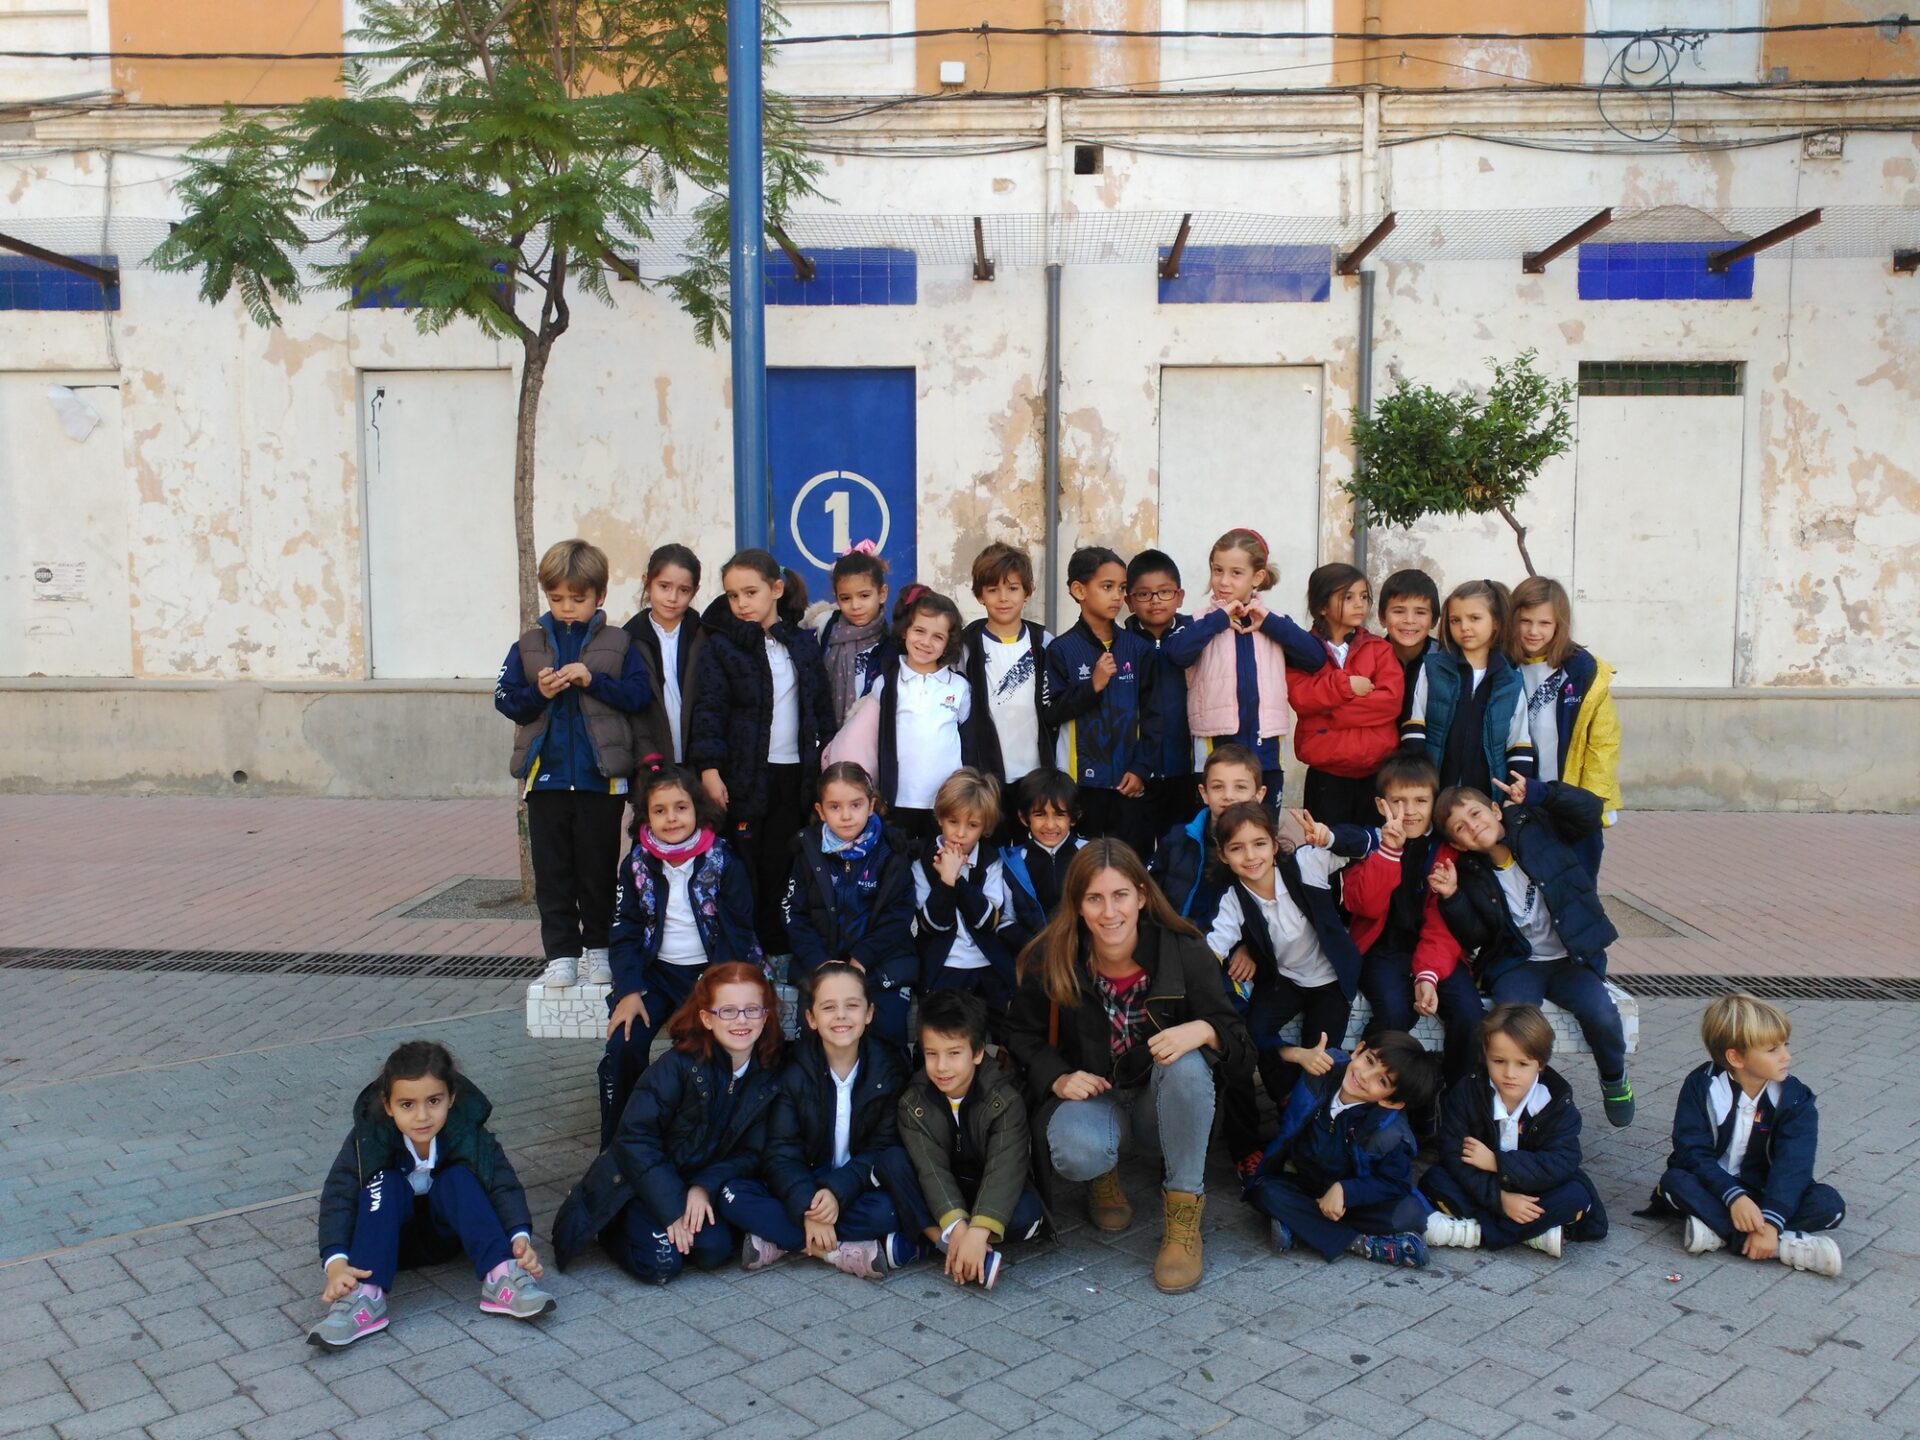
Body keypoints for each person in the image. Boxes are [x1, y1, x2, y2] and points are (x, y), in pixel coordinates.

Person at [1005, 840, 1253, 1294]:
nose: (1109, 912)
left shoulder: (1184, 949)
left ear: (1141, 895)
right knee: (1076, 1147)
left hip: (1160, 1102)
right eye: (1094, 898)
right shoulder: (1054, 955)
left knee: (1186, 1062)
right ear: (1078, 905)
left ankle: (1182, 1219)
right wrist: (1058, 1075)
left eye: (1120, 895)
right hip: (1096, 1098)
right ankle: (1103, 1175)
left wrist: (1202, 1030)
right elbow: (1019, 1034)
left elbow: (1240, 1044)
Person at [552, 964, 784, 1283]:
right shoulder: (677, 1067)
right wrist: (673, 1207)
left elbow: (752, 1152)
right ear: (706, 1018)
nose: (741, 1020)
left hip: (695, 1182)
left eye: (752, 1010)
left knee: (714, 1250)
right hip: (638, 1183)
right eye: (727, 1011)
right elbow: (634, 1139)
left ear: (766, 1015)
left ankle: (671, 1223)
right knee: (662, 1264)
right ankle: (611, 1225)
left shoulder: (766, 1077)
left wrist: (704, 1187)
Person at [310, 1041, 551, 1348]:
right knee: (384, 1181)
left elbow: (502, 1184)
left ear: (451, 1098)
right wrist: (336, 1264)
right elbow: (338, 1196)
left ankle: (502, 1276)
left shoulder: (470, 1135)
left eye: (433, 1101)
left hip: (447, 1238)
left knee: (459, 1178)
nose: (422, 1116)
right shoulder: (367, 1139)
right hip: (385, 1246)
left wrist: (519, 1238)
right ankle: (363, 1297)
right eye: (407, 1105)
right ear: (388, 1105)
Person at [1431, 774, 1635, 1127]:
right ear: (1459, 845)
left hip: (1571, 959)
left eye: (1477, 814)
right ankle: (1512, 1092)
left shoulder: (1537, 825)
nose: (1474, 827)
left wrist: (1540, 793)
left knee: (1600, 1013)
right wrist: (1452, 898)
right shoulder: (1470, 873)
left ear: (1496, 810)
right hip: (1519, 963)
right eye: (1461, 828)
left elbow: (1589, 812)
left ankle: (1614, 1077)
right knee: (1511, 1020)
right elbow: (1476, 933)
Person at [495, 539, 653, 989]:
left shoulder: (620, 643)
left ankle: (599, 949)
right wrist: (537, 693)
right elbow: (504, 698)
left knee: (598, 868)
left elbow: (639, 697)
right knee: (554, 872)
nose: (567, 608)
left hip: (600, 781)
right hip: (544, 780)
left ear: (600, 596)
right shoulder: (528, 644)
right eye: (557, 598)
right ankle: (561, 954)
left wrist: (593, 680)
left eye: (578, 599)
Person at [718, 963, 922, 1278]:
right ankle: (839, 1253)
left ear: (868, 1013)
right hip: (803, 1181)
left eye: (852, 1006)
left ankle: (780, 1239)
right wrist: (807, 1208)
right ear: (811, 1019)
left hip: (857, 1185)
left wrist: (837, 1192)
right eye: (828, 1007)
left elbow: (884, 1147)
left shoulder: (888, 1069)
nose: (841, 1015)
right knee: (732, 1194)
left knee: (891, 1210)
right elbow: (781, 1152)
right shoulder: (793, 1069)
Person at [598, 766, 761, 1149]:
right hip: (655, 975)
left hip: (712, 974)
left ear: (697, 811)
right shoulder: (637, 865)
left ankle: (695, 1139)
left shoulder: (723, 862)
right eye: (660, 810)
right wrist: (629, 990)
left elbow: (739, 931)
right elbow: (624, 931)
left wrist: (714, 983)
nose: (671, 818)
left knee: (699, 1049)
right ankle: (620, 1143)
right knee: (623, 1044)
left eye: (680, 808)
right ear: (646, 816)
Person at [1203, 802, 1365, 1176]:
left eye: (1259, 844)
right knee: (1253, 1032)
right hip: (1285, 980)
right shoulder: (1234, 899)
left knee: (1320, 1054)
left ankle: (1309, 1139)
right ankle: (1285, 1096)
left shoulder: (1306, 864)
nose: (1251, 856)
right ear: (1224, 856)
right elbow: (1213, 946)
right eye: (1237, 848)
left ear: (1275, 845)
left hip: (1331, 980)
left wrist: (1330, 836)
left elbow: (1364, 844)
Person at [689, 550, 836, 956]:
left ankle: (777, 948)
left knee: (782, 862)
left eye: (750, 592)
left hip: (793, 776)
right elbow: (709, 711)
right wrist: (710, 770)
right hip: (745, 777)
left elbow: (821, 712)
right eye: (734, 596)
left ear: (776, 589)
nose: (742, 604)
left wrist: (823, 772)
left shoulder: (801, 645)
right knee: (743, 863)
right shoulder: (722, 648)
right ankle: (741, 948)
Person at [1643, 993, 1844, 1277]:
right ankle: (1783, 1247)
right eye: (1773, 1049)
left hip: (1766, 1191)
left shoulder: (1796, 1099)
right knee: (1675, 1183)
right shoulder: (1702, 1088)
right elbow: (1692, 1152)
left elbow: (1794, 1165)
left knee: (1829, 1204)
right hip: (1714, 1186)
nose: (1787, 1056)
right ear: (1735, 1056)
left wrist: (1772, 1220)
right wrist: (1733, 1196)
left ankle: (1720, 1233)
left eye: (1785, 1045)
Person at [1243, 1032, 1442, 1270]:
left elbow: (1394, 1182)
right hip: (1306, 1182)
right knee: (1264, 1191)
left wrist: (1346, 1191)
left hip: (1352, 1199)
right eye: (1369, 1060)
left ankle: (1302, 1226)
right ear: (1358, 1050)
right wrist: (1298, 1054)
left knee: (1408, 1214)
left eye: (1382, 1081)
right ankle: (1360, 1242)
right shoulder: (1322, 1068)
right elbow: (1262, 1049)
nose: (1364, 1076)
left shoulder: (1389, 1132)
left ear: (1392, 1101)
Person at [1423, 1003, 1608, 1257]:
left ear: (1540, 1064)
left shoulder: (1557, 1102)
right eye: (1499, 1061)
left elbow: (1562, 1161)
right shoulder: (1467, 1092)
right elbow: (1455, 1155)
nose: (1509, 1073)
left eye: (1522, 1064)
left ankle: (1473, 1233)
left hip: (1535, 1189)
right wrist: (1500, 1200)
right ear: (1486, 1054)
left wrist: (1498, 1162)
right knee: (1436, 1181)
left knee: (1576, 1195)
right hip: (1485, 1188)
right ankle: (1534, 1235)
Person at [1162, 528, 1325, 813]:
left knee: (1263, 825)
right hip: (1216, 741)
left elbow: (1315, 658)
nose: (1223, 581)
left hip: (1266, 745)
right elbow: (1176, 654)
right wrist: (1217, 621)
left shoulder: (1274, 623)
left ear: (1257, 577)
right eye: (1217, 570)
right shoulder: (1198, 622)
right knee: (1217, 827)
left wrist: (1273, 624)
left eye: (1236, 573)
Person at [1343, 754, 1483, 1086]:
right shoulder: (1367, 843)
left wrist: (1427, 975)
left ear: (1434, 803)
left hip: (1437, 952)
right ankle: (1360, 1082)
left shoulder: (1446, 852)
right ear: (1381, 805)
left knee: (1470, 1015)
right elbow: (1363, 904)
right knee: (1393, 1012)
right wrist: (1389, 852)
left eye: (1421, 800)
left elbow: (1441, 927)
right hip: (1382, 949)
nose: (1410, 811)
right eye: (1398, 801)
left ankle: (1455, 1097)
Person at [897, 989, 1049, 1289]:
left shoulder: (1004, 1098)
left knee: (1027, 1214)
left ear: (978, 1052)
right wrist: (958, 1229)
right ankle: (956, 1247)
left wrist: (978, 1229)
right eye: (932, 1053)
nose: (941, 1067)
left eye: (954, 1053)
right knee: (894, 1164)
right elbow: (931, 1171)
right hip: (940, 1193)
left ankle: (948, 1245)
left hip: (985, 1185)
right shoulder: (913, 1101)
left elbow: (1005, 1168)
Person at [897, 769, 1042, 1047]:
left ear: (985, 826)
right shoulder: (922, 861)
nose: (961, 833)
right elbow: (932, 924)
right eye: (953, 821)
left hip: (989, 966)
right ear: (940, 818)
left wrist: (956, 879)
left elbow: (988, 920)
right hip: (945, 966)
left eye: (972, 825)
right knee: (944, 1035)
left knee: (1005, 1037)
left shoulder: (991, 861)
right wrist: (945, 881)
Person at [1039, 546, 1162, 855]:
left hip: (1129, 784)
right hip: (1080, 788)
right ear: (1079, 590)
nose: (1117, 596)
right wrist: (1092, 686)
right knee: (1084, 866)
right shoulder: (1061, 650)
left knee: (1132, 865)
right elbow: (1050, 713)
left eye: (1122, 588)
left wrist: (1140, 769)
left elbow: (1154, 716)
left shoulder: (1138, 649)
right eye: (1107, 587)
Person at [1507, 575, 1622, 884]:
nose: (1533, 631)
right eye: (1525, 621)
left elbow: (1603, 743)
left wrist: (1593, 800)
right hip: (1518, 800)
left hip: (1568, 801)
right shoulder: (1503, 664)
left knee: (1574, 891)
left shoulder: (1584, 671)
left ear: (1560, 624)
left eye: (1544, 623)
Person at [1287, 563, 1404, 829]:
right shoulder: (1303, 651)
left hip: (1375, 773)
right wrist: (1346, 688)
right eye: (1347, 597)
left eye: (1363, 597)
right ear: (1322, 606)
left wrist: (1330, 710)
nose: (1359, 604)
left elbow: (1390, 702)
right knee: (1325, 850)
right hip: (1327, 776)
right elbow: (1301, 698)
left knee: (1372, 851)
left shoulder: (1379, 649)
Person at [782, 762, 916, 983]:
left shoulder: (891, 851)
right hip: (820, 968)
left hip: (880, 966)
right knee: (818, 1016)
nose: (846, 816)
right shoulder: (807, 851)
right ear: (820, 811)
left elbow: (899, 913)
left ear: (871, 806)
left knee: (885, 1018)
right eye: (834, 807)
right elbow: (792, 913)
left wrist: (862, 959)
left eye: (856, 805)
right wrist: (819, 962)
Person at [1401, 578, 1534, 795]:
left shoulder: (1510, 680)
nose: (1464, 627)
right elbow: (1414, 730)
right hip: (1435, 789)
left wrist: (1516, 793)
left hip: (1488, 794)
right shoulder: (1432, 669)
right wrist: (1418, 785)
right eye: (1455, 620)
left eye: (1474, 618)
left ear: (1497, 622)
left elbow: (1518, 742)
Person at [867, 588, 972, 841]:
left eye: (938, 636)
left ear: (949, 642)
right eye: (919, 631)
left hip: (945, 802)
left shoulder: (959, 687)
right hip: (897, 799)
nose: (926, 642)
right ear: (905, 631)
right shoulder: (886, 683)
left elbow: (968, 740)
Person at [960, 541, 1053, 793]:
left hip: (1036, 772)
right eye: (992, 589)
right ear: (980, 595)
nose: (1003, 598)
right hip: (987, 774)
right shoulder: (966, 646)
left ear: (1028, 591)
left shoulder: (1044, 642)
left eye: (1012, 588)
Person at [1122, 548, 1197, 843]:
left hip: (1186, 772)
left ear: (1179, 596)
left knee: (1181, 854)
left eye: (1164, 592)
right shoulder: (1121, 644)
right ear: (1128, 600)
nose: (1155, 601)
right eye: (1143, 594)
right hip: (1137, 774)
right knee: (1136, 856)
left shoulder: (1194, 637)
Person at [1150, 742, 1266, 927]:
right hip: (1177, 937)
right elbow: (1150, 891)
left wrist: (1245, 947)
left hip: (1230, 947)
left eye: (1240, 787)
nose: (1228, 796)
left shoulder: (1263, 850)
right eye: (1218, 787)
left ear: (1259, 795)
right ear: (1204, 793)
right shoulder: (1178, 839)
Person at [623, 542, 705, 772]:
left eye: (683, 590)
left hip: (698, 761)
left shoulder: (704, 636)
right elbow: (630, 708)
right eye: (664, 586)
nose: (672, 597)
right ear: (646, 582)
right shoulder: (628, 640)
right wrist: (645, 753)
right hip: (650, 761)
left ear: (695, 591)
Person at [808, 544, 891, 725]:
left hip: (868, 741)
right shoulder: (824, 628)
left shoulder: (891, 644)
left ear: (882, 593)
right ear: (836, 597)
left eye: (864, 596)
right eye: (845, 598)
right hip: (825, 736)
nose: (855, 606)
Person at [1002, 767, 1084, 917]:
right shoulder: (1012, 863)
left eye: (1060, 814)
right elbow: (1006, 921)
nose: (1050, 825)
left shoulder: (1089, 854)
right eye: (1040, 814)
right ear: (1023, 817)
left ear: (1073, 817)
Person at [1378, 568, 1439, 726]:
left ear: (1434, 620)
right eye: (1399, 611)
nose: (1409, 620)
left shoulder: (1445, 661)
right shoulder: (1370, 658)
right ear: (1382, 618)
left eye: (1420, 612)